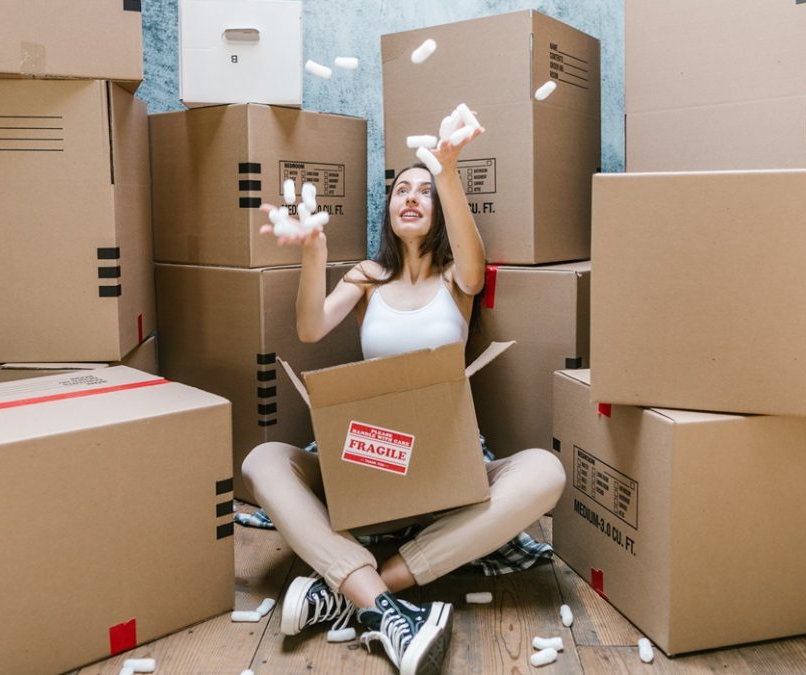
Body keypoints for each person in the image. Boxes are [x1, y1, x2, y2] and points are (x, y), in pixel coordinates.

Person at [241, 125, 566, 675]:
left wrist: (447, 170)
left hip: (445, 461)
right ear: (387, 210)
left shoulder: (456, 282)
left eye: (424, 192)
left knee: (545, 471)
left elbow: (473, 256)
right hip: (369, 458)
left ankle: (363, 590)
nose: (411, 197)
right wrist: (314, 252)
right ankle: (387, 606)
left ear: (440, 210)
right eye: (400, 190)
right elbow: (311, 327)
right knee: (262, 460)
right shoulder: (367, 278)